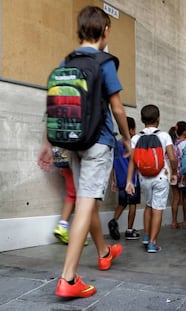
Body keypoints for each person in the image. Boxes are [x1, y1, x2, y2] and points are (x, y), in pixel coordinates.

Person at [37, 6, 131, 298]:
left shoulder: (68, 61)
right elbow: (116, 106)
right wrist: (127, 138)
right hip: (98, 140)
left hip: (71, 140)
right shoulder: (104, 62)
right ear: (104, 32)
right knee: (86, 202)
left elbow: (55, 104)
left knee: (85, 199)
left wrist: (47, 143)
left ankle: (104, 251)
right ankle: (68, 278)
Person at [126, 104, 177, 253]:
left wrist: (130, 181)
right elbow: (172, 158)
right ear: (158, 119)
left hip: (143, 178)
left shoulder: (136, 137)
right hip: (160, 176)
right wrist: (174, 172)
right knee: (158, 209)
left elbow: (132, 161)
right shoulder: (164, 136)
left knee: (148, 206)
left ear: (142, 119)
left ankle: (147, 236)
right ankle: (153, 243)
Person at [108, 117, 141, 240]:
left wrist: (113, 180)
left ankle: (113, 220)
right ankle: (129, 230)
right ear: (131, 130)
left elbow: (112, 163)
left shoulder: (116, 144)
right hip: (132, 180)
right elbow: (136, 162)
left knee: (122, 203)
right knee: (133, 204)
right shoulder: (132, 145)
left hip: (120, 180)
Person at [169, 121, 186, 229]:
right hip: (183, 174)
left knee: (176, 197)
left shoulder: (172, 144)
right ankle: (185, 221)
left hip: (173, 173)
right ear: (185, 132)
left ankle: (174, 221)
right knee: (185, 197)